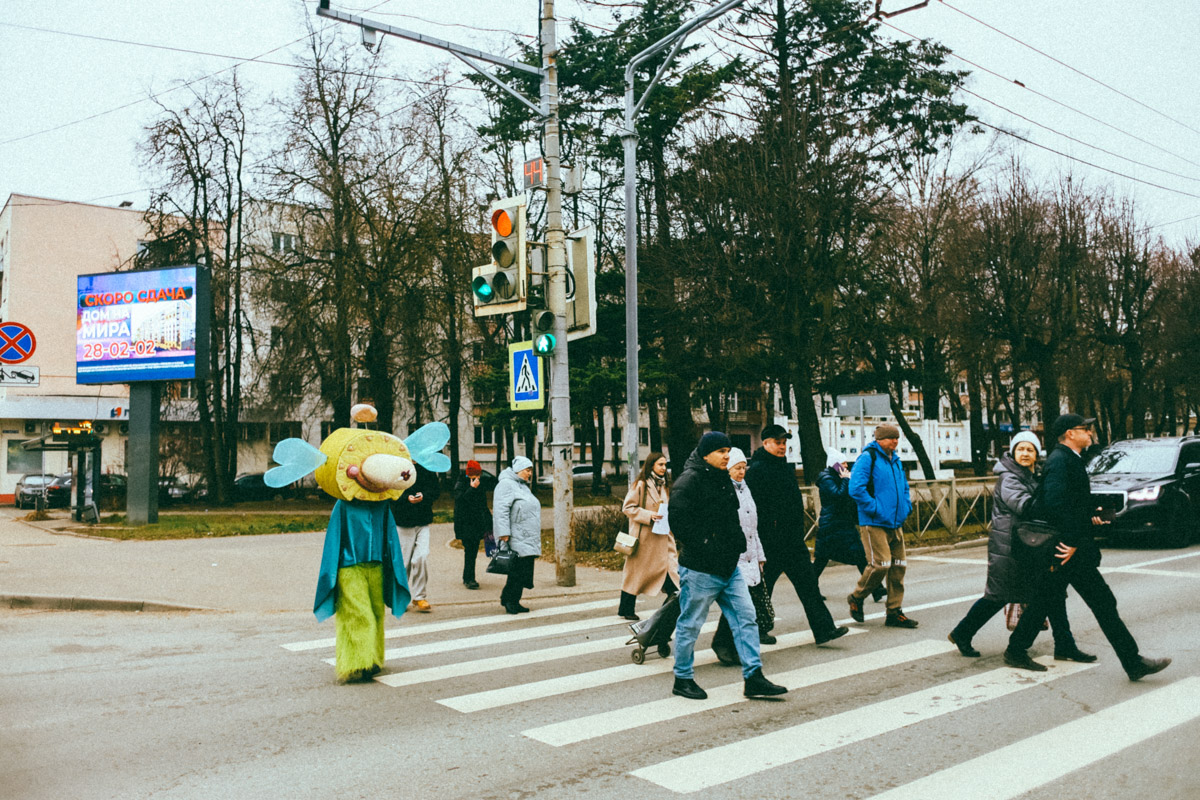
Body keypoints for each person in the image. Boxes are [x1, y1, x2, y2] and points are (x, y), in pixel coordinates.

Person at [1004, 414, 1171, 680]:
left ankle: (1021, 649)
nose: (1090, 432)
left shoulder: (1069, 458)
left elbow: (1070, 503)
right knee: (1095, 601)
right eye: (1086, 428)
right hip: (1068, 548)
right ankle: (1132, 661)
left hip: (1073, 546)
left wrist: (1091, 513)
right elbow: (1055, 504)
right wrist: (1070, 541)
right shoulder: (1061, 461)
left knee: (1053, 599)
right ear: (1071, 433)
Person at [947, 431, 1092, 661]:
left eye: (1030, 449)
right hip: (1009, 547)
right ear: (1013, 452)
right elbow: (1024, 506)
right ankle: (963, 632)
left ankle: (1064, 643)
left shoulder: (1031, 476)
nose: (1025, 453)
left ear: (1037, 454)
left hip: (1028, 545)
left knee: (1051, 594)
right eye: (1021, 449)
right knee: (999, 595)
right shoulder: (1010, 478)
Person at [668, 431, 787, 701]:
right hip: (700, 569)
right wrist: (709, 545)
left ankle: (753, 677)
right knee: (690, 624)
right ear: (706, 453)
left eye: (728, 450)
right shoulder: (688, 481)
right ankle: (683, 679)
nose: (727, 456)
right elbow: (680, 524)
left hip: (729, 567)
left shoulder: (722, 478)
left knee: (747, 619)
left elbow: (733, 517)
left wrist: (739, 546)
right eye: (721, 451)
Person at [745, 424, 848, 645]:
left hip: (792, 541)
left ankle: (824, 630)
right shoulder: (757, 470)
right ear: (765, 443)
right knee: (762, 590)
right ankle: (758, 630)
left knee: (809, 585)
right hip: (770, 543)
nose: (782, 447)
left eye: (784, 443)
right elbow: (753, 509)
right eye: (778, 442)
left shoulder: (783, 466)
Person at [846, 424, 918, 628]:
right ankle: (857, 597)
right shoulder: (868, 457)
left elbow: (903, 486)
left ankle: (894, 612)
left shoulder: (895, 460)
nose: (895, 441)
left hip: (896, 522)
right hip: (874, 521)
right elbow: (856, 488)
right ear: (879, 439)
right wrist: (876, 508)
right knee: (881, 564)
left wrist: (906, 506)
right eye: (890, 438)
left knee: (898, 566)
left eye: (896, 438)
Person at [711, 447, 774, 665]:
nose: (741, 472)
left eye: (743, 468)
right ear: (728, 469)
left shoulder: (745, 489)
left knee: (741, 605)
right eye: (737, 468)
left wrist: (760, 556)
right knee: (737, 604)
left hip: (749, 555)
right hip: (732, 556)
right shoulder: (723, 490)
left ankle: (730, 645)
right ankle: (723, 643)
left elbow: (752, 528)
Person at [814, 447, 884, 603]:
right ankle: (811, 590)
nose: (846, 466)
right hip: (831, 526)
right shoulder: (826, 479)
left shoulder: (838, 476)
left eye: (846, 463)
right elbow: (837, 495)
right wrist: (846, 479)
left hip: (843, 524)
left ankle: (876, 589)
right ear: (835, 464)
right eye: (843, 464)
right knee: (821, 560)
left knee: (860, 555)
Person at [618, 451, 679, 621]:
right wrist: (648, 515)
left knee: (673, 574)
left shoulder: (664, 484)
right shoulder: (641, 485)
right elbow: (628, 508)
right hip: (645, 540)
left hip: (663, 538)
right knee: (635, 576)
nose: (663, 468)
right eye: (660, 464)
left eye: (665, 465)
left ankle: (669, 611)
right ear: (651, 465)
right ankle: (626, 609)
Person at [494, 456, 541, 615]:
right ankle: (510, 601)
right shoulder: (506, 485)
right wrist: (504, 533)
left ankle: (512, 599)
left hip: (526, 536)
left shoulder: (522, 486)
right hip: (515, 536)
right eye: (528, 470)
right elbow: (501, 510)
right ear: (518, 469)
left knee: (523, 570)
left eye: (531, 470)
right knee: (517, 570)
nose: (530, 473)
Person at [392, 460, 441, 612]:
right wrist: (406, 498)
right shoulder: (397, 468)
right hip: (403, 520)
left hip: (422, 520)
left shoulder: (426, 469)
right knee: (404, 561)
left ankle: (420, 597)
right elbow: (390, 493)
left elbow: (435, 491)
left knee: (421, 557)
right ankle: (401, 598)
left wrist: (424, 496)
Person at [453, 459, 491, 591]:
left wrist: (489, 522)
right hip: (465, 524)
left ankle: (469, 577)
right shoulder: (461, 483)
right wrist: (472, 488)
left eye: (478, 475)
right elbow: (461, 501)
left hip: (476, 523)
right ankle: (469, 578)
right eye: (474, 475)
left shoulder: (479, 483)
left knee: (472, 551)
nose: (477, 478)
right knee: (469, 550)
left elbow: (482, 504)